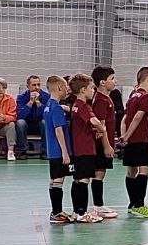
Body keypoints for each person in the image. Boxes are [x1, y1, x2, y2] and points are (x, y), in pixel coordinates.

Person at [120, 67, 148, 218]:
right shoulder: (146, 97)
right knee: (144, 170)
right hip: (139, 138)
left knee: (131, 170)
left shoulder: (133, 95)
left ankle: (132, 203)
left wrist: (124, 135)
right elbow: (137, 117)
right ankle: (139, 205)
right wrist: (127, 135)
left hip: (131, 140)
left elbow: (125, 118)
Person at [68, 74, 105, 223]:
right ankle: (82, 213)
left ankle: (76, 211)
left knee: (77, 180)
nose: (93, 91)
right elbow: (94, 121)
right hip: (86, 149)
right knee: (84, 180)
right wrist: (102, 128)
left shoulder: (75, 105)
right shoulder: (83, 106)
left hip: (77, 148)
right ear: (83, 90)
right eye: (91, 88)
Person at [42, 75, 74, 224]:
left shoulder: (48, 106)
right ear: (60, 87)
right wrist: (65, 152)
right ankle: (56, 212)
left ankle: (56, 211)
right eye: (66, 87)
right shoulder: (56, 108)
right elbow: (58, 130)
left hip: (52, 150)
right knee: (58, 180)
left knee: (54, 179)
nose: (67, 90)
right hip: (58, 150)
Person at [89, 67, 119, 218]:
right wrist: (107, 146)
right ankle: (98, 205)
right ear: (102, 82)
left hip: (107, 141)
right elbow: (101, 126)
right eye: (112, 78)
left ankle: (99, 205)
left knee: (101, 172)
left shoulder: (107, 98)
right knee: (99, 173)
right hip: (100, 144)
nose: (115, 81)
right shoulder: (100, 100)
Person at [15, 75, 49, 159]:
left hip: (40, 125)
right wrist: (30, 103)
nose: (37, 87)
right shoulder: (21, 97)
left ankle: (46, 151)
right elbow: (20, 116)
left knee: (45, 122)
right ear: (28, 86)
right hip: (27, 126)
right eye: (34, 85)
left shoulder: (46, 97)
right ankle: (22, 151)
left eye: (38, 85)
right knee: (20, 123)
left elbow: (47, 115)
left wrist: (38, 103)